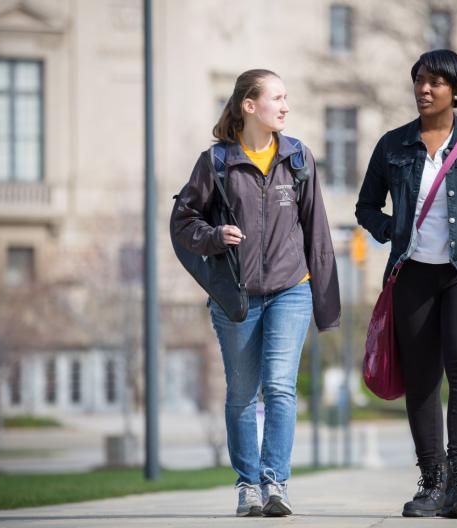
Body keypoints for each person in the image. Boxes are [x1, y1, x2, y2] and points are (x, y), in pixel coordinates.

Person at [356, 49, 457, 519]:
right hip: (412, 275)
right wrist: (393, 231)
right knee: (422, 380)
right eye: (419, 81)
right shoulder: (393, 145)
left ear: (456, 90)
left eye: (435, 82)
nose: (424, 89)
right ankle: (432, 482)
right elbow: (366, 207)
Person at [174, 69, 340, 517]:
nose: (286, 106)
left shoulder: (298, 158)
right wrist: (214, 236)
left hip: (292, 290)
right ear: (250, 105)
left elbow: (317, 234)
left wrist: (326, 305)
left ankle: (275, 483)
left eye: (286, 98)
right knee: (242, 394)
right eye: (277, 98)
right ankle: (247, 484)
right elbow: (183, 222)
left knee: (281, 389)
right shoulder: (217, 163)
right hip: (238, 297)